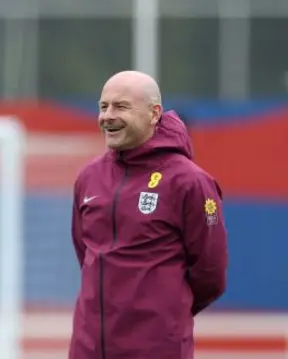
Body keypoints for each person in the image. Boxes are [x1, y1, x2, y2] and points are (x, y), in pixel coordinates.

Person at [69, 71, 228, 359]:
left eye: (121, 106)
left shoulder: (190, 182)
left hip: (157, 348)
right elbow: (86, 255)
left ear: (154, 113)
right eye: (103, 106)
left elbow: (210, 274)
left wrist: (164, 310)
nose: (108, 116)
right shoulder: (88, 177)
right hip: (88, 348)